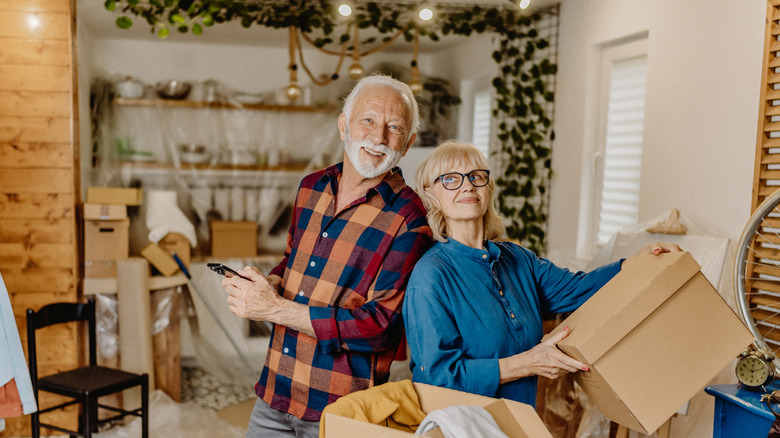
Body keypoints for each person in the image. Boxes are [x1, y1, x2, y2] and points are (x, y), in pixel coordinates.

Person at [219, 75, 432, 438]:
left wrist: (274, 309)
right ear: (343, 124)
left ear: (408, 143)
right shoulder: (311, 187)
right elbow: (293, 261)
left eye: (394, 127)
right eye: (368, 120)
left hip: (340, 406)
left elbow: (380, 326)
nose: (378, 137)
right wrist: (268, 284)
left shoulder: (410, 217)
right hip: (275, 388)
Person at [403, 140, 681, 406]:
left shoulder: (517, 259)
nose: (468, 186)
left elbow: (580, 290)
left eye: (476, 176)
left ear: (489, 188)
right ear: (430, 194)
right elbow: (437, 378)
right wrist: (525, 363)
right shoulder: (431, 276)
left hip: (518, 423)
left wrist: (635, 264)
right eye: (451, 179)